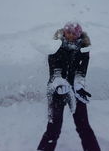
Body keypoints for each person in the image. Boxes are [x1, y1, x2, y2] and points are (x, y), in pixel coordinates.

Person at [37, 22, 101, 151]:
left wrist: (79, 86)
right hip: (57, 90)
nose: (70, 35)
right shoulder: (55, 46)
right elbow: (55, 71)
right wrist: (59, 84)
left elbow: (80, 72)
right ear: (64, 32)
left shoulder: (84, 48)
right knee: (53, 129)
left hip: (76, 92)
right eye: (68, 32)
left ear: (78, 35)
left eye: (74, 33)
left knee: (84, 127)